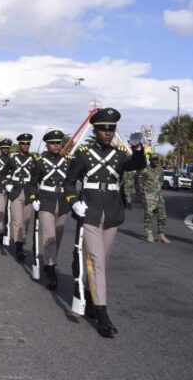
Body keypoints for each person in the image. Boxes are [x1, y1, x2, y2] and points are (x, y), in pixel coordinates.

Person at [64, 108, 146, 338]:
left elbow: (138, 164)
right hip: (90, 212)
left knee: (101, 262)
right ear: (95, 130)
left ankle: (90, 297)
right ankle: (103, 316)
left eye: (112, 129)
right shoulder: (82, 155)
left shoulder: (120, 155)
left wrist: (138, 148)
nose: (109, 133)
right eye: (104, 129)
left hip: (111, 213)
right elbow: (69, 183)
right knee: (97, 262)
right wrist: (73, 202)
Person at [31, 130, 71, 290]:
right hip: (46, 200)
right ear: (47, 145)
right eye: (53, 143)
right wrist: (34, 198)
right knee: (50, 236)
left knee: (58, 236)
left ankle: (50, 261)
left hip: (62, 201)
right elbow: (33, 181)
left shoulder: (67, 162)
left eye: (58, 143)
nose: (56, 145)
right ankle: (51, 269)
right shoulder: (40, 162)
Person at [0, 133, 37, 261]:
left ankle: (21, 240)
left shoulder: (34, 160)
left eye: (28, 143)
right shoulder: (12, 160)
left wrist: (36, 194)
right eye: (23, 143)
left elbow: (36, 177)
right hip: (15, 192)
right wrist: (6, 185)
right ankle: (19, 248)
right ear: (19, 144)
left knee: (26, 221)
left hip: (28, 192)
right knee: (18, 220)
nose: (26, 145)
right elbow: (2, 175)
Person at [139, 155, 169, 243]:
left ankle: (161, 235)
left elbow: (161, 180)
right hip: (148, 196)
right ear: (150, 160)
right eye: (153, 159)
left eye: (157, 159)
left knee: (162, 216)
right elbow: (140, 183)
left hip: (158, 196)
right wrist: (144, 195)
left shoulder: (160, 170)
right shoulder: (145, 171)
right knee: (149, 216)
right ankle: (149, 234)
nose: (155, 161)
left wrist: (158, 190)